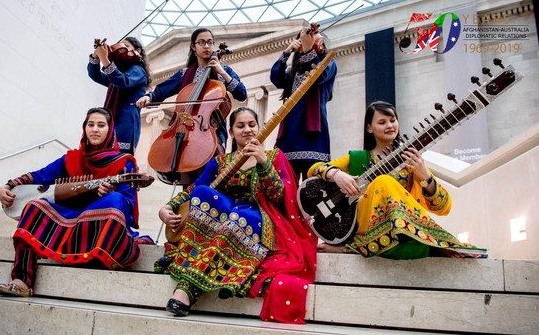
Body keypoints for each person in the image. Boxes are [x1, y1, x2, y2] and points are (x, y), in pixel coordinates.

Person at [156, 107, 317, 324]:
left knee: (238, 218)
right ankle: (188, 285)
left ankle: (187, 288)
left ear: (259, 127)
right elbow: (195, 189)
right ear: (231, 132)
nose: (248, 130)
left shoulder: (273, 157)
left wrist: (263, 164)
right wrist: (167, 208)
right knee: (206, 194)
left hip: (257, 216)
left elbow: (280, 197)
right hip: (222, 215)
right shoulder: (220, 162)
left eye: (252, 124)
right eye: (240, 126)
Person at [0, 107, 153, 297]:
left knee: (115, 199)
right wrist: (8, 186)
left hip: (99, 219)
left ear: (110, 131)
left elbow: (128, 204)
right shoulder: (72, 159)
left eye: (101, 125)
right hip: (69, 219)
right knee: (33, 205)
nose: (95, 129)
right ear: (84, 128)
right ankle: (21, 281)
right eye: (90, 124)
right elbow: (40, 176)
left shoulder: (123, 162)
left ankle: (97, 255)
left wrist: (105, 195)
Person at [308, 101, 487, 258]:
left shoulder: (410, 161)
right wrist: (337, 174)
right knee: (383, 181)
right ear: (369, 128)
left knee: (383, 181)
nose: (390, 125)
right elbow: (313, 170)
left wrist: (424, 175)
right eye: (382, 122)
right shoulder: (356, 158)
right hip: (360, 225)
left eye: (393, 120)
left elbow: (443, 208)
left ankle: (356, 248)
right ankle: (358, 245)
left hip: (400, 232)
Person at [136, 27, 247, 150]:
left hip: (211, 130)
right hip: (184, 127)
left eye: (210, 42)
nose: (206, 46)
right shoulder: (184, 74)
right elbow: (161, 91)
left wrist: (221, 71)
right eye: (201, 42)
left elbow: (242, 94)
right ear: (193, 47)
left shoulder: (225, 71)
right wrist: (148, 96)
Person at [270, 26, 337, 182]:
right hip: (289, 136)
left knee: (313, 187)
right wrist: (286, 52)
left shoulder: (329, 64)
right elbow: (276, 78)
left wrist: (308, 51)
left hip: (313, 136)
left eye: (316, 39)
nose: (314, 42)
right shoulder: (292, 73)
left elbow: (318, 76)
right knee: (286, 185)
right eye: (308, 40)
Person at [88, 36, 151, 154]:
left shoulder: (138, 70)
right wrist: (96, 55)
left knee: (117, 159)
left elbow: (123, 81)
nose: (121, 50)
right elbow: (95, 75)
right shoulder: (119, 73)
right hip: (113, 119)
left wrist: (105, 58)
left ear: (138, 51)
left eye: (126, 46)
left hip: (125, 121)